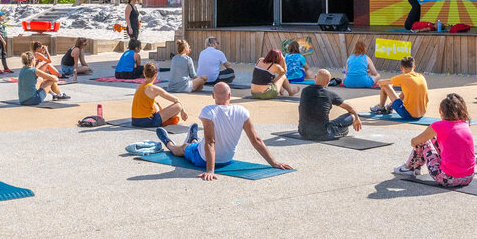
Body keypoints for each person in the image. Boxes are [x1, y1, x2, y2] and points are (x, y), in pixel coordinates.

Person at [156, 82, 292, 180]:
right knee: (196, 145)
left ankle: (168, 143)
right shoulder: (242, 111)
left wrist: (210, 170)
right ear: (230, 96)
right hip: (227, 160)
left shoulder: (208, 111)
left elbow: (210, 142)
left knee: (183, 149)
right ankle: (194, 138)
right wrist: (274, 163)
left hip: (202, 159)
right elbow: (256, 140)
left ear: (213, 96)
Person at [394, 94, 475, 187]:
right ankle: (415, 167)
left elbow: (414, 142)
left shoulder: (438, 126)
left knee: (424, 142)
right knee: (432, 138)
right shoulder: (464, 124)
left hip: (448, 178)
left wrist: (415, 141)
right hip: (468, 177)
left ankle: (408, 167)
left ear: (440, 111)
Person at [298, 69, 362, 141]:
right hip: (322, 134)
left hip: (303, 132)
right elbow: (350, 107)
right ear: (328, 82)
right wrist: (357, 118)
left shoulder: (304, 91)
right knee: (351, 117)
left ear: (315, 77)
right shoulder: (329, 94)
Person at [370, 56, 429, 121]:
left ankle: (381, 107)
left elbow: (381, 83)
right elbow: (404, 94)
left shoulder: (403, 77)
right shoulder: (421, 76)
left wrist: (389, 86)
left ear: (401, 68)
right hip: (421, 114)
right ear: (414, 67)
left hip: (409, 115)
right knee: (407, 89)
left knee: (385, 86)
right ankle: (390, 105)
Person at [131, 62, 184, 127]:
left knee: (155, 103)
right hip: (148, 121)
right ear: (155, 75)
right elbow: (176, 100)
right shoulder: (154, 88)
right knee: (178, 106)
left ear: (144, 74)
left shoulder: (140, 87)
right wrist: (183, 111)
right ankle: (165, 121)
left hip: (135, 120)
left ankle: (164, 120)